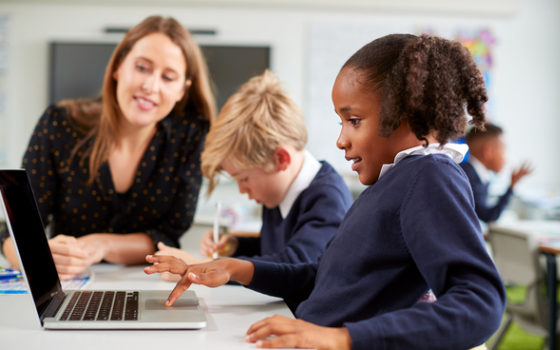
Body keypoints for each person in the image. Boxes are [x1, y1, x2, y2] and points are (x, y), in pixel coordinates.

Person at [144, 34, 506, 349]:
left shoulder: (430, 175)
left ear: (408, 115)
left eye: (354, 121)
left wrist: (341, 339)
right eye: (341, 122)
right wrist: (235, 268)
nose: (341, 139)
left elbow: (480, 303)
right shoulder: (392, 183)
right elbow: (322, 279)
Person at [0, 15, 216, 280]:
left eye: (168, 77)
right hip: (72, 284)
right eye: (142, 68)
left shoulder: (190, 138)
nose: (150, 86)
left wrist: (101, 244)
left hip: (147, 285)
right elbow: (14, 232)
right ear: (118, 68)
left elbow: (166, 236)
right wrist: (37, 255)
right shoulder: (59, 124)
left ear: (182, 90)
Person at [156, 70, 353, 270]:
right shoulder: (278, 191)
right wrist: (235, 247)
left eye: (244, 178)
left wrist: (203, 267)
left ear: (281, 159)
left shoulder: (328, 200)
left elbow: (293, 266)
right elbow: (272, 254)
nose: (242, 189)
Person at [461, 123, 533, 223]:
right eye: (503, 150)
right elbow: (488, 216)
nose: (505, 158)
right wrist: (512, 186)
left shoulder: (476, 174)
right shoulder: (467, 177)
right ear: (488, 151)